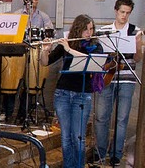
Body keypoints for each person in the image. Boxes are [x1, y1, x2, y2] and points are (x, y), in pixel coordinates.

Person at [40, 14, 103, 168]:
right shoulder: (67, 43)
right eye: (86, 29)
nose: (89, 32)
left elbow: (91, 61)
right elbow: (45, 62)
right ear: (78, 29)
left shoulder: (95, 45)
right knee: (66, 137)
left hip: (82, 95)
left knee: (78, 137)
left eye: (91, 29)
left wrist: (69, 49)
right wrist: (45, 50)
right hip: (62, 93)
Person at [93, 0, 143, 165]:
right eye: (122, 12)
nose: (124, 16)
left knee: (122, 118)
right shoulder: (104, 30)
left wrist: (137, 46)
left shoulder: (135, 30)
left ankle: (116, 153)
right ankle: (99, 151)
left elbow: (138, 58)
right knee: (101, 116)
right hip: (107, 78)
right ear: (116, 11)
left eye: (128, 13)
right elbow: (99, 56)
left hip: (127, 79)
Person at [2, 0, 54, 122]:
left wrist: (47, 44)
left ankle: (23, 114)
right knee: (12, 83)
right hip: (19, 52)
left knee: (30, 84)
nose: (35, 0)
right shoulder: (17, 15)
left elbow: (51, 34)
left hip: (35, 52)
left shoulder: (43, 17)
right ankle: (7, 113)